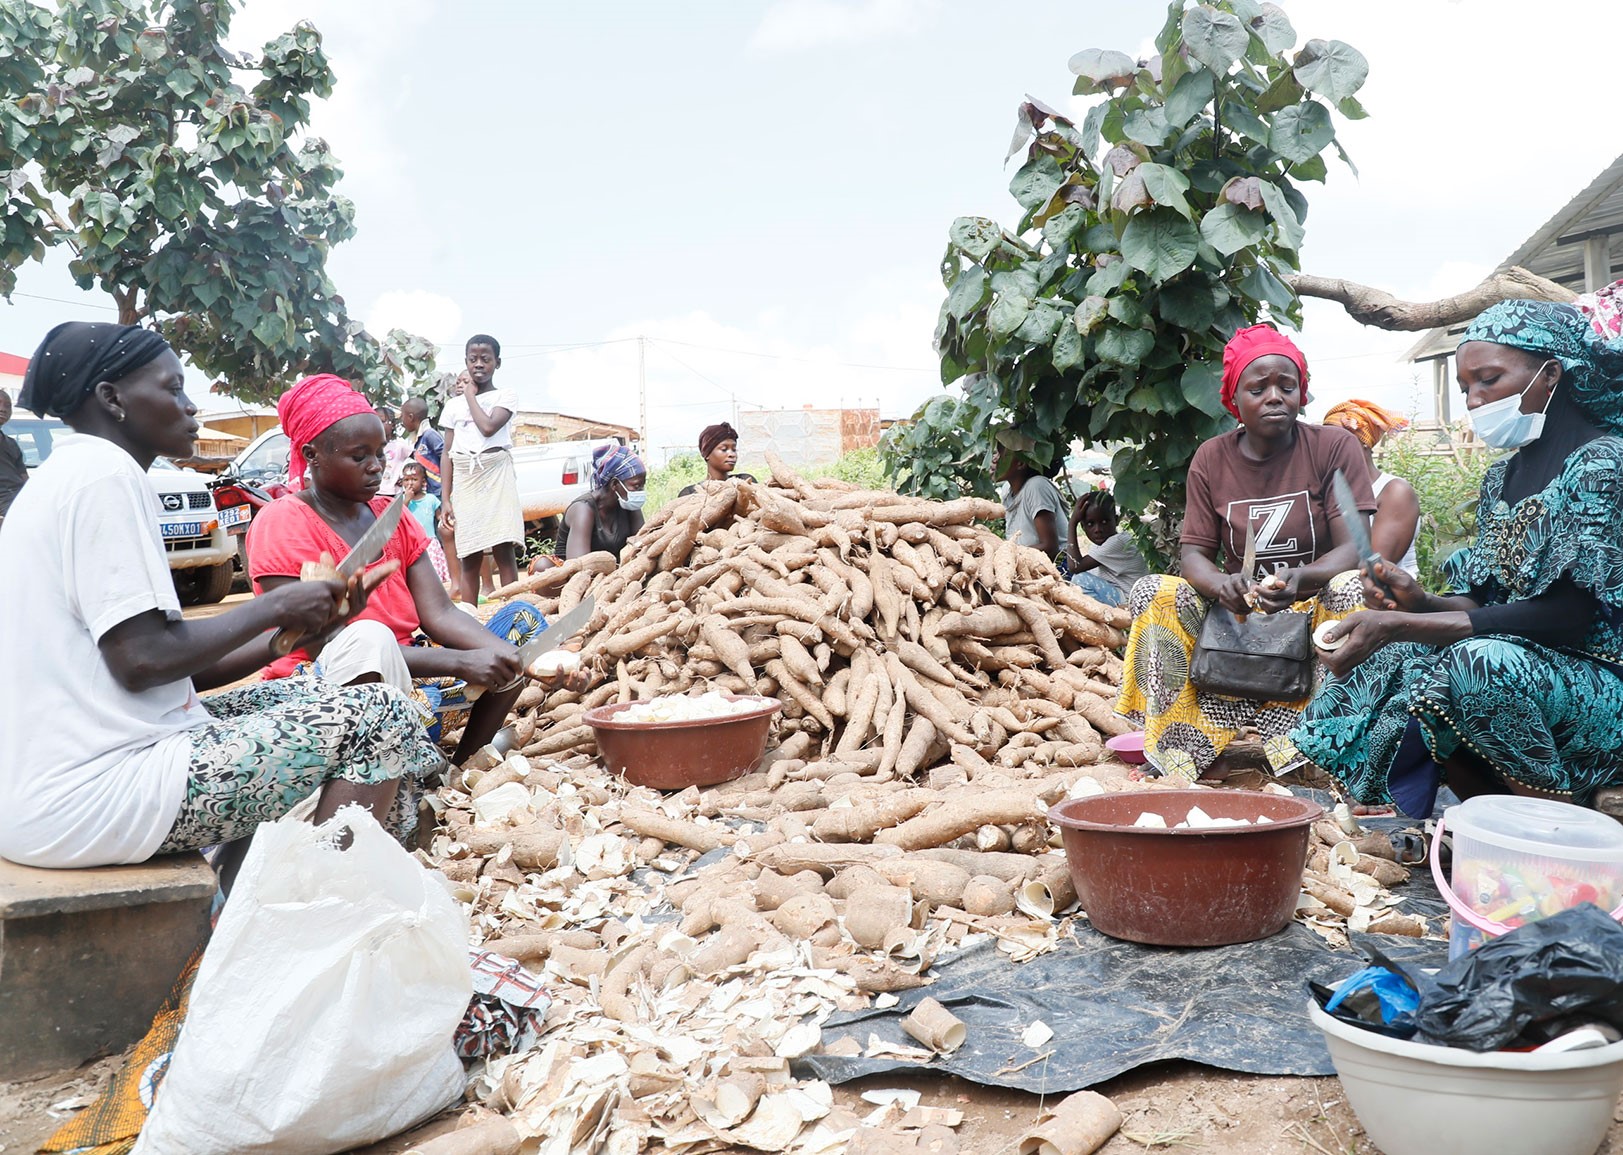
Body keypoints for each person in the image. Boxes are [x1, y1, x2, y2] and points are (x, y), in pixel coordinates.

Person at [0, 322, 442, 872]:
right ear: (111, 398)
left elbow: (165, 670)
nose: (191, 409)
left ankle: (243, 897)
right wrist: (278, 605)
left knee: (323, 703)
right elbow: (142, 660)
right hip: (93, 792)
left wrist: (296, 633)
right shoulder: (102, 476)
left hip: (77, 773)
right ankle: (309, 910)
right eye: (173, 389)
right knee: (380, 719)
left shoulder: (75, 472)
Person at [1294, 301, 1623, 816]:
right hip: (1528, 670)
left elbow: (1569, 614)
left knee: (1477, 665)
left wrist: (1403, 622)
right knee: (1394, 659)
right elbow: (1485, 598)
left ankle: (1554, 828)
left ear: (1550, 373)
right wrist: (1420, 600)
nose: (1475, 399)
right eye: (1466, 388)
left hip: (1601, 679)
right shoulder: (1502, 480)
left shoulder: (1602, 464)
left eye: (1488, 380)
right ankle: (1489, 816)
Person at [1114, 324, 1373, 783]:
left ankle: (1322, 748)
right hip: (1237, 613)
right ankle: (1185, 751)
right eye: (1259, 388)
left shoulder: (1333, 447)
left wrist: (1301, 579)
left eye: (1286, 386)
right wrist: (1223, 586)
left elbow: (1354, 545)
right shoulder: (1212, 459)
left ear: (1302, 393)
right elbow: (1194, 555)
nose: (1275, 396)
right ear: (1235, 399)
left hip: (1312, 609)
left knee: (1350, 586)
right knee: (1156, 591)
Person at [248, 374, 549, 763]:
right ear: (312, 455)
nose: (376, 467)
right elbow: (324, 643)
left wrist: (511, 660)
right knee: (404, 702)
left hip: (408, 663)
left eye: (380, 453)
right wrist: (461, 662)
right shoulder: (283, 522)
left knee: (521, 628)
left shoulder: (392, 516)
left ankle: (461, 765)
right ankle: (401, 762)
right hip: (325, 678)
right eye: (360, 457)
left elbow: (438, 612)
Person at [439, 335, 524, 597]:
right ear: (465, 361)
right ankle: (469, 619)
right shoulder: (452, 406)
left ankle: (514, 618)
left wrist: (469, 396)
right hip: (466, 478)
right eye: (473, 359)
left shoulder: (505, 396)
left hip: (496, 474)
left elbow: (488, 428)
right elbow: (447, 453)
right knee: (470, 553)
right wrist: (445, 498)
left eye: (485, 359)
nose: (478, 364)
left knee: (503, 548)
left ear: (497, 363)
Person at [1322, 399, 1421, 580]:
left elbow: (1370, 570)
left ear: (1364, 443)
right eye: (1326, 442)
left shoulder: (1394, 493)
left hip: (1385, 601)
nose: (1330, 448)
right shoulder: (1327, 490)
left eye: (1338, 441)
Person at [548, 444, 646, 564]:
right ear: (615, 484)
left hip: (611, 574)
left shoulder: (628, 504)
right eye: (636, 486)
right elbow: (580, 566)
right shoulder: (583, 509)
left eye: (642, 486)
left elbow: (643, 546)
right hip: (574, 577)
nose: (640, 491)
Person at [1065, 489, 1148, 608]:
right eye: (1090, 524)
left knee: (1080, 580)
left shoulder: (1117, 542)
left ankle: (1109, 618)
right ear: (1083, 527)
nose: (1098, 529)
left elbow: (1074, 566)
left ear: (1117, 520)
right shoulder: (1102, 545)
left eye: (1104, 522)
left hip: (1134, 603)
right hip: (1125, 597)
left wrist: (1072, 523)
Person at [997, 449, 1068, 560]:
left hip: (1056, 567)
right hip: (1026, 562)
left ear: (1021, 463)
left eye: (1000, 454)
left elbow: (1050, 548)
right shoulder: (1007, 490)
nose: (994, 459)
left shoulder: (1037, 486)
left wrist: (1008, 555)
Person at [401, 461, 451, 584]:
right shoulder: (402, 501)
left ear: (423, 482)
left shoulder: (431, 499)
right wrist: (407, 500)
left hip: (430, 542)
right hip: (412, 544)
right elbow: (400, 517)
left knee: (433, 575)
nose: (410, 483)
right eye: (406, 480)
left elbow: (440, 517)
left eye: (414, 479)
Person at [678, 422, 756, 497]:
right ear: (707, 454)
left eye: (734, 449)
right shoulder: (691, 493)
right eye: (724, 449)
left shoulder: (745, 481)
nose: (732, 454)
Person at [0, 389, 26, 524]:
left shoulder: (11, 443)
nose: (3, 409)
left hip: (19, 504)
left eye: (7, 406)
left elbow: (24, 478)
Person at [375, 402, 412, 497]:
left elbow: (416, 460)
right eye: (375, 421)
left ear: (393, 425)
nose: (378, 424)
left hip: (393, 493)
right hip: (373, 492)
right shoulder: (369, 447)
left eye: (383, 421)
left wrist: (405, 476)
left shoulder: (399, 446)